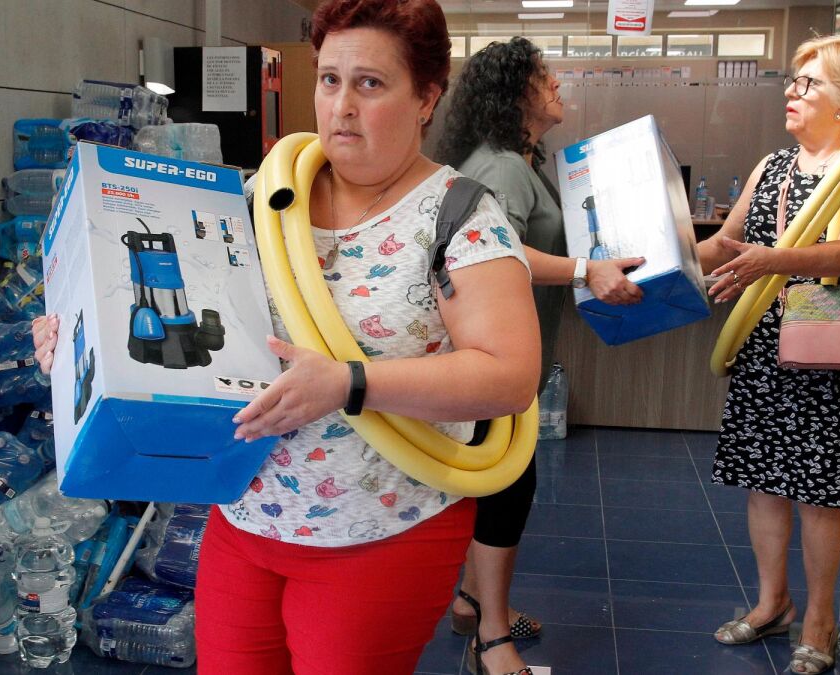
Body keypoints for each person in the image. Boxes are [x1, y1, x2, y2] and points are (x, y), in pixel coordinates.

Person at [34, 1, 541, 672]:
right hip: (245, 514)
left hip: (379, 529)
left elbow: (508, 375)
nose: (342, 107)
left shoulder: (459, 217)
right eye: (330, 80)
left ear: (426, 97)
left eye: (370, 83)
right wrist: (80, 337)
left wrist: (349, 383)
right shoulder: (257, 202)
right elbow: (180, 317)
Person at [696, 35, 840, 675]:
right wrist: (653, 256)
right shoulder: (773, 166)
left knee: (819, 494)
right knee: (763, 483)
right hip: (767, 350)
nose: (792, 91)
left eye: (809, 83)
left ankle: (819, 622)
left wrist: (773, 260)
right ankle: (772, 603)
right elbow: (726, 244)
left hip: (833, 355)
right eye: (795, 79)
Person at [435, 37, 642, 675]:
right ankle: (492, 639)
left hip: (502, 356)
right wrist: (585, 269)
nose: (555, 84)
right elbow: (500, 252)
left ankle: (472, 602)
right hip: (490, 358)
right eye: (542, 75)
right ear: (512, 93)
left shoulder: (518, 163)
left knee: (499, 484)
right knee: (506, 488)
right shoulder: (501, 167)